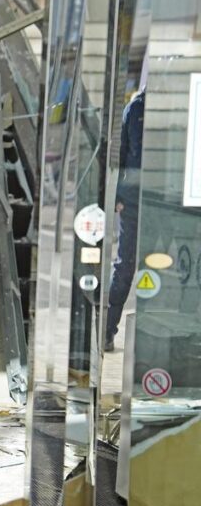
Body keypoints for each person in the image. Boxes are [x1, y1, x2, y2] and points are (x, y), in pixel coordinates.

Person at [106, 90, 144, 352]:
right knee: (125, 267)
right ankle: (107, 331)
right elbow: (120, 153)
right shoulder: (136, 108)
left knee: (161, 268)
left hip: (165, 200)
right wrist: (118, 194)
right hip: (133, 199)